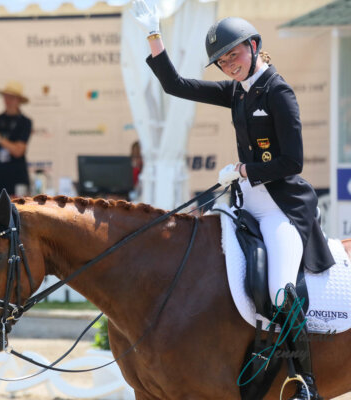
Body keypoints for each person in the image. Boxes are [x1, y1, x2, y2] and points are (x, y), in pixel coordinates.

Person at [131, 2, 334, 399]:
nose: (229, 65)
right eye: (222, 61)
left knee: (280, 289)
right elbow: (177, 86)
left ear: (254, 46)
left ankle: (303, 380)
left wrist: (243, 171)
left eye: (234, 55)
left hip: (281, 209)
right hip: (245, 205)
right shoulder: (238, 92)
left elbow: (293, 160)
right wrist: (154, 35)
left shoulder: (278, 91)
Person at [0, 81, 32, 195]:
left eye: (12, 97)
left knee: (19, 211)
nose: (8, 100)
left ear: (19, 100)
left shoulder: (25, 122)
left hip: (17, 176)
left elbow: (18, 151)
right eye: (6, 96)